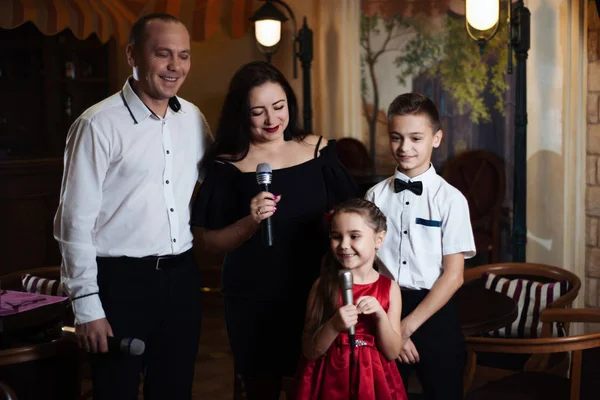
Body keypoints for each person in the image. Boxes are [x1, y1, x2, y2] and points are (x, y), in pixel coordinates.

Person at [54, 13, 212, 400]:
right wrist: (87, 307)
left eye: (184, 55)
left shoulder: (193, 118)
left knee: (175, 391)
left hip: (182, 280)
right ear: (132, 55)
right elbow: (73, 223)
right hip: (119, 284)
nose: (175, 66)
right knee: (116, 392)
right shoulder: (97, 125)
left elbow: (218, 183)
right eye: (163, 54)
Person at [191, 61, 357, 399]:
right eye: (258, 112)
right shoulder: (226, 166)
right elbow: (208, 240)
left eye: (279, 107)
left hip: (314, 290)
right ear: (241, 113)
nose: (272, 120)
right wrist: (250, 222)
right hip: (253, 296)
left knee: (314, 384)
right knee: (259, 386)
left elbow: (354, 218)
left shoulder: (317, 151)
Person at [365, 93, 476, 399]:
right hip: (384, 308)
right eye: (396, 137)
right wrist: (390, 327)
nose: (405, 147)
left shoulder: (451, 200)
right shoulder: (374, 197)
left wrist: (405, 328)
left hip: (435, 311)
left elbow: (454, 276)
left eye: (416, 138)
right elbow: (365, 267)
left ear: (436, 138)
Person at [296, 198, 408, 400]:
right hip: (329, 380)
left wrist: (381, 317)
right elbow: (309, 350)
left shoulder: (389, 288)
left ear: (378, 239)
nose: (344, 245)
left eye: (354, 236)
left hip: (374, 381)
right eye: (336, 237)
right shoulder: (323, 285)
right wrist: (334, 325)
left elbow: (392, 352)